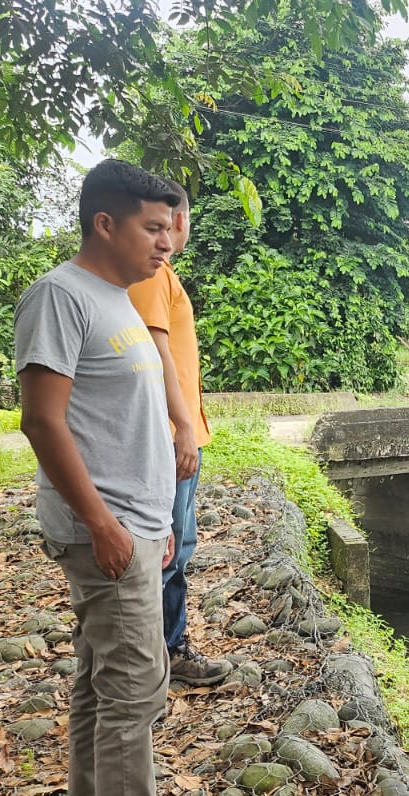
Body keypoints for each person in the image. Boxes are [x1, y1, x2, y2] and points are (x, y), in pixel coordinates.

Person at [14, 159, 196, 796]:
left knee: (99, 682)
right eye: (152, 228)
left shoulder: (117, 298)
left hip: (135, 526)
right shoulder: (60, 296)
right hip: (105, 532)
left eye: (168, 229)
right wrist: (103, 523)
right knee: (132, 693)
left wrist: (156, 523)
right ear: (105, 224)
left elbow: (126, 423)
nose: (166, 243)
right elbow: (42, 420)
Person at [126, 178, 231, 687]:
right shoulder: (152, 277)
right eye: (157, 228)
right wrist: (182, 427)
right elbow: (155, 350)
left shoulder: (162, 275)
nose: (165, 240)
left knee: (178, 545)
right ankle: (160, 656)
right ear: (182, 220)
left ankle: (165, 650)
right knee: (166, 551)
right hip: (170, 436)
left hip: (178, 434)